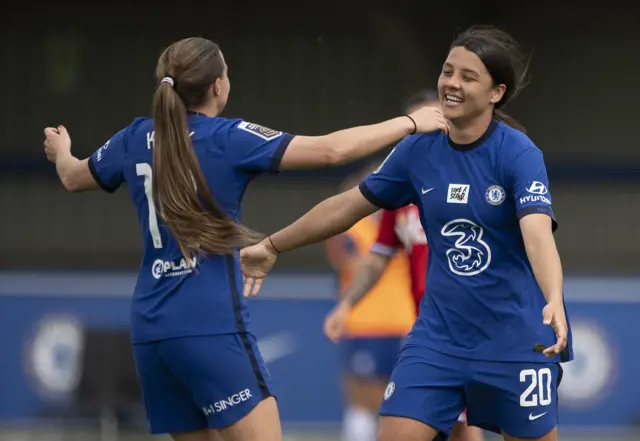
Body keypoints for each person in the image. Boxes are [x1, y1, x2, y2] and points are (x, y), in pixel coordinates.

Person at [42, 37, 449, 441]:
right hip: (210, 324)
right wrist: (411, 123)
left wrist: (62, 150)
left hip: (151, 331)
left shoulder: (134, 137)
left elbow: (72, 176)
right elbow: (331, 151)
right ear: (218, 86)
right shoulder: (227, 137)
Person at [240, 25, 573, 441]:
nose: (451, 83)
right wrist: (273, 244)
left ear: (496, 93)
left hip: (516, 338)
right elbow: (347, 208)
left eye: (468, 77)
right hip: (437, 340)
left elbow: (537, 233)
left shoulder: (518, 152)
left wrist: (555, 296)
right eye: (448, 71)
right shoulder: (416, 152)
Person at [324, 90, 484, 441]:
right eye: (412, 130)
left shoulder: (474, 177)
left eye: (428, 126)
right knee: (446, 425)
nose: (418, 137)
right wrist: (348, 303)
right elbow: (380, 252)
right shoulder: (401, 192)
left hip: (468, 327)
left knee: (459, 425)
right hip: (426, 331)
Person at [324, 161, 416, 441]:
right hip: (405, 323)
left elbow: (340, 257)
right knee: (403, 407)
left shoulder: (356, 231)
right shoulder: (407, 224)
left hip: (367, 323)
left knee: (363, 405)